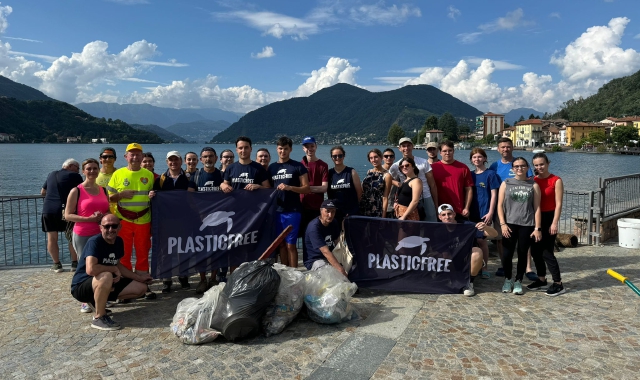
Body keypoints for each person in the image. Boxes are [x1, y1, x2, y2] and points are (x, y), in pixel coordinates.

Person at [70, 214, 152, 331]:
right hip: (82, 286)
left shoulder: (118, 241)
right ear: (101, 228)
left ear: (119, 227)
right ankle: (99, 317)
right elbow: (91, 269)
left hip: (106, 282)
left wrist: (139, 277)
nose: (110, 230)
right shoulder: (94, 242)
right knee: (106, 276)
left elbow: (118, 264)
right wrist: (112, 269)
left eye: (114, 226)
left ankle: (97, 301)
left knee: (141, 288)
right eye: (107, 226)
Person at [106, 143, 156, 299]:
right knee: (124, 254)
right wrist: (121, 195)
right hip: (124, 220)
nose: (135, 157)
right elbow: (110, 197)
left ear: (142, 157)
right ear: (125, 157)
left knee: (142, 254)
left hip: (144, 219)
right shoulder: (118, 174)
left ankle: (143, 284)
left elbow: (153, 196)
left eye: (138, 154)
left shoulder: (148, 175)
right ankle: (126, 284)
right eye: (131, 154)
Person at [64, 158, 111, 313]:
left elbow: (108, 210)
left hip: (101, 234)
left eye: (94, 168)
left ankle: (100, 295)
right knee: (85, 267)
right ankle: (84, 300)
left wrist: (108, 219)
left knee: (101, 264)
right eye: (88, 169)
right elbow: (68, 215)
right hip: (83, 234)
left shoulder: (103, 190)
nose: (92, 171)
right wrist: (88, 219)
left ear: (98, 170)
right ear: (83, 171)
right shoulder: (76, 191)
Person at [489, 137, 534, 278]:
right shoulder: (494, 166)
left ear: (512, 147)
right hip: (502, 208)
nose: (505, 149)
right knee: (501, 238)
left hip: (521, 207)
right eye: (502, 147)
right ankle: (504, 265)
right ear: (498, 149)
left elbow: (531, 183)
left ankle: (528, 268)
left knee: (524, 240)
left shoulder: (520, 164)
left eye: (508, 147)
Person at [496, 157, 542, 295]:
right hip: (509, 223)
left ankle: (518, 280)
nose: (519, 168)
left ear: (527, 167)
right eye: (516, 166)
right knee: (507, 254)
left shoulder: (533, 185)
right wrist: (502, 224)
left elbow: (537, 208)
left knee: (522, 254)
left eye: (522, 166)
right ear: (512, 169)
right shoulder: (506, 183)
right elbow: (499, 205)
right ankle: (508, 279)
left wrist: (537, 228)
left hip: (526, 224)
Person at [437, 204, 497, 296]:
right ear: (439, 217)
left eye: (449, 214)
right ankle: (452, 278)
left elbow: (495, 234)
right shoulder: (437, 230)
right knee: (438, 254)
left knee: (477, 251)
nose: (447, 217)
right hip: (451, 259)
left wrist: (486, 227)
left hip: (467, 258)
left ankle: (469, 282)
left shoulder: (466, 225)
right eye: (444, 215)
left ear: (454, 214)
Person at [268, 136, 310, 267]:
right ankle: (285, 271)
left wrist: (290, 187)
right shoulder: (272, 168)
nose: (282, 151)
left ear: (290, 149)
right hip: (277, 211)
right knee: (280, 244)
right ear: (277, 149)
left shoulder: (298, 166)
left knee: (290, 244)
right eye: (280, 149)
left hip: (293, 211)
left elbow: (306, 188)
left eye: (285, 149)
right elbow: (267, 189)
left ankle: (294, 273)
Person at [153, 151, 192, 293]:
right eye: (171, 160)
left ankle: (183, 277)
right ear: (167, 162)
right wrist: (152, 194)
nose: (173, 162)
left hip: (184, 221)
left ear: (181, 161)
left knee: (183, 249)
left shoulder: (189, 178)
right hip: (166, 222)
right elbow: (154, 197)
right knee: (166, 251)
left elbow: (195, 198)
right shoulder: (161, 179)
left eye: (176, 160)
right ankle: (166, 279)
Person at [188, 147, 225, 293]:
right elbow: (189, 197)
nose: (208, 159)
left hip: (217, 220)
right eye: (205, 157)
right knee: (200, 250)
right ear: (201, 159)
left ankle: (213, 278)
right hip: (200, 220)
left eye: (211, 156)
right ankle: (202, 279)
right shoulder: (196, 176)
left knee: (216, 249)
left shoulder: (221, 175)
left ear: (216, 158)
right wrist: (200, 213)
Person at [530, 153, 566, 296]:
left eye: (542, 164)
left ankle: (558, 283)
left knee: (546, 251)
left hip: (550, 217)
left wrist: (555, 223)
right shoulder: (533, 180)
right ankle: (541, 279)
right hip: (535, 218)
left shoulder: (556, 180)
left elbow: (559, 204)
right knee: (535, 251)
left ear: (548, 163)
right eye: (537, 165)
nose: (539, 167)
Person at [41, 158, 83, 272]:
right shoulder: (75, 176)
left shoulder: (51, 174)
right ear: (70, 166)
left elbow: (42, 192)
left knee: (52, 238)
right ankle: (74, 264)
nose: (79, 171)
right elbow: (82, 191)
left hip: (48, 210)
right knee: (71, 237)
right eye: (77, 168)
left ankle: (56, 264)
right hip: (66, 210)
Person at [389, 137, 438, 222]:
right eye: (403, 146)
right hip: (406, 199)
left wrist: (435, 204)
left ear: (412, 146)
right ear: (399, 148)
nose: (406, 148)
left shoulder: (423, 162)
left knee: (431, 222)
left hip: (425, 196)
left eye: (408, 145)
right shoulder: (396, 166)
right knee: (410, 225)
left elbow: (432, 184)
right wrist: (399, 184)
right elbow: (388, 179)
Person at [469, 148, 500, 279]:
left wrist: (490, 212)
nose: (477, 159)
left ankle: (485, 267)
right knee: (472, 240)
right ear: (471, 160)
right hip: (471, 212)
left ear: (485, 159)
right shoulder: (470, 174)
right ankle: (474, 265)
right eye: (474, 157)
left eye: (480, 157)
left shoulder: (490, 174)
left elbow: (494, 194)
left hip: (484, 213)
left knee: (482, 241)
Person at [431, 141, 473, 222]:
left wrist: (466, 207)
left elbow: (469, 189)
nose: (447, 153)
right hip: (440, 211)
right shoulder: (433, 168)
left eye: (450, 150)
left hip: (458, 210)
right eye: (444, 151)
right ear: (440, 153)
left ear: (453, 151)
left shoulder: (463, 168)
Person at [303, 199, 346, 277]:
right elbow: (325, 252)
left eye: (333, 212)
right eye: (327, 211)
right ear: (321, 211)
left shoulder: (334, 222)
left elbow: (337, 242)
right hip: (316, 260)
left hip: (331, 255)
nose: (330, 215)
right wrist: (341, 271)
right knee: (329, 274)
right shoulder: (314, 227)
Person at [300, 136, 329, 237]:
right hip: (302, 207)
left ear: (316, 147)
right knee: (304, 237)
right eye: (307, 147)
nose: (310, 149)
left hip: (316, 208)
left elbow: (324, 188)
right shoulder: (299, 165)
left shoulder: (323, 165)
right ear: (303, 149)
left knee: (316, 236)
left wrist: (306, 189)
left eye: (312, 146)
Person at [327, 146, 362, 224]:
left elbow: (359, 192)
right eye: (334, 156)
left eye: (340, 155)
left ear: (344, 156)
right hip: (335, 212)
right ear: (331, 157)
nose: (337, 158)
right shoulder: (329, 173)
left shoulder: (351, 172)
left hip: (351, 212)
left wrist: (353, 208)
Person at [359, 149, 392, 217]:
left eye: (376, 157)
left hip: (377, 208)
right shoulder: (369, 172)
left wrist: (383, 217)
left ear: (381, 158)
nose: (373, 160)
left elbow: (385, 197)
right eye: (371, 158)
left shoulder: (387, 175)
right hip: (364, 206)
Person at [382, 148, 398, 218]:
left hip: (393, 206)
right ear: (382, 158)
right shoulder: (377, 171)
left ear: (394, 158)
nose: (389, 158)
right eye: (386, 156)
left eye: (391, 156)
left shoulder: (399, 171)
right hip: (380, 206)